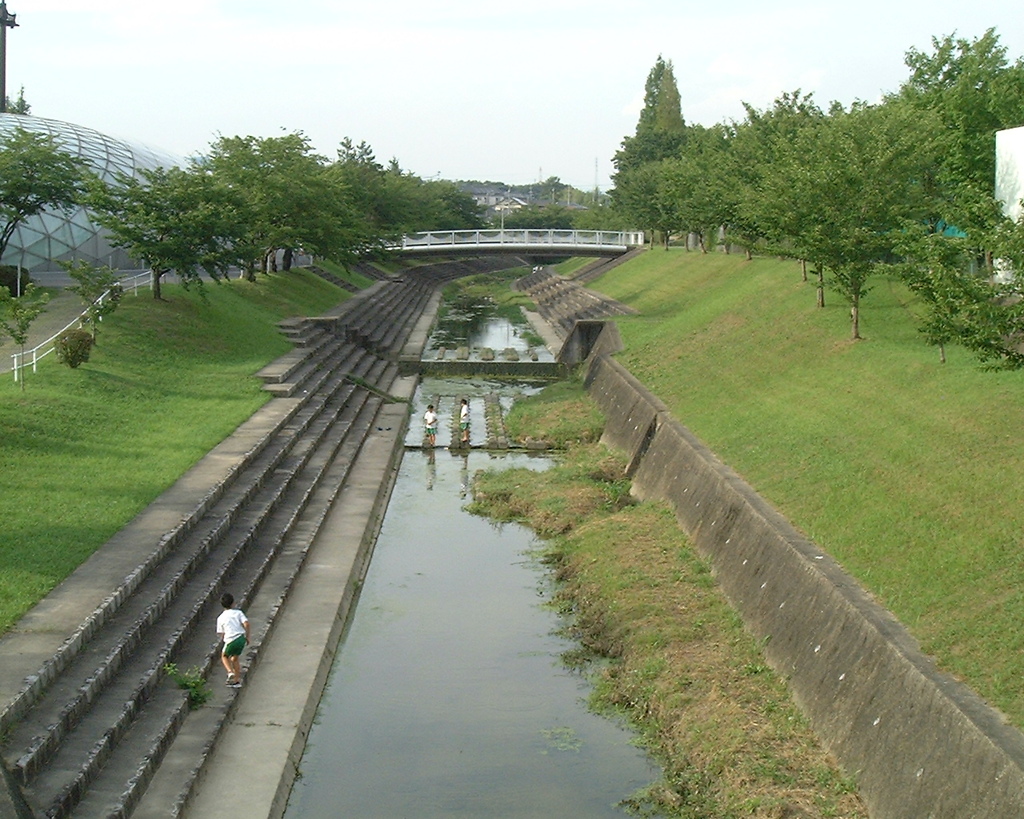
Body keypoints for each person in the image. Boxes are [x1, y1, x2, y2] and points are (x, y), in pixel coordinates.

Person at [216, 592, 250, 688]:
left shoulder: (221, 618)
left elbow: (221, 633)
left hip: (231, 640)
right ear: (233, 603)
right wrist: (247, 637)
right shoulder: (238, 613)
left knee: (224, 656)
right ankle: (236, 681)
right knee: (234, 658)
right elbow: (246, 624)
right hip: (240, 639)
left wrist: (225, 639)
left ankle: (230, 672)